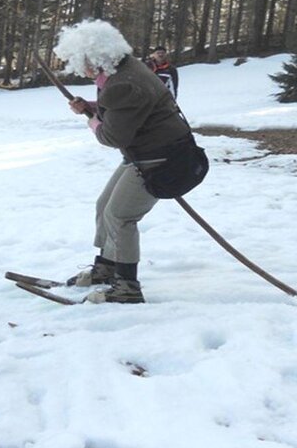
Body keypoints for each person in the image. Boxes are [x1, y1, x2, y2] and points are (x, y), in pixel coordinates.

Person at [54, 20, 195, 303]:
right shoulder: (125, 69)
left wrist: (93, 121)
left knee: (120, 215)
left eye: (80, 62)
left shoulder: (122, 84)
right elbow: (129, 109)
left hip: (162, 157)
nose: (80, 69)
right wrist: (93, 107)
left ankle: (127, 287)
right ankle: (106, 268)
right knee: (104, 205)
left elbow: (112, 136)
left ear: (95, 58)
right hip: (145, 152)